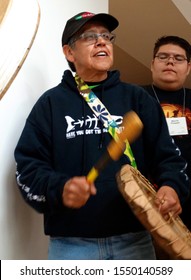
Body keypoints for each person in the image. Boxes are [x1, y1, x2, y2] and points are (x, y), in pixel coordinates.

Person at [14, 12, 189, 260]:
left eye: (106, 36)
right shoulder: (50, 104)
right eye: (90, 37)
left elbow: (170, 158)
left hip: (135, 241)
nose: (102, 42)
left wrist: (171, 187)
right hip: (71, 244)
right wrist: (60, 188)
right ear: (69, 53)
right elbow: (28, 168)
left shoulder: (138, 99)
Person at [143, 35, 191, 258]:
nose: (170, 62)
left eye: (178, 58)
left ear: (188, 67)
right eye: (163, 56)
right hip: (146, 205)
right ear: (153, 63)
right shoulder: (134, 97)